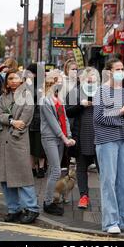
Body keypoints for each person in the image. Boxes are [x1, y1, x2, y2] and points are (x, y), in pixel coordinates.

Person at [94, 58, 124, 234]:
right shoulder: (101, 91)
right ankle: (110, 222)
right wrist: (120, 112)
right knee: (109, 181)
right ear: (108, 71)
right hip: (107, 140)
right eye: (117, 68)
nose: (121, 71)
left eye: (122, 68)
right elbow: (98, 117)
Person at [0, 69, 40, 224]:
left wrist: (14, 129)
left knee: (23, 176)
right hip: (3, 141)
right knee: (5, 178)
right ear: (6, 81)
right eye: (10, 78)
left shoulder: (26, 95)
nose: (13, 81)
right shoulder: (3, 97)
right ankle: (14, 209)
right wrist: (12, 121)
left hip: (18, 139)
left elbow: (25, 119)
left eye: (16, 78)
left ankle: (32, 208)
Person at [40, 70, 76, 216]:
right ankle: (48, 203)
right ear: (52, 81)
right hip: (50, 137)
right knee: (55, 171)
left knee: (53, 170)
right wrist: (64, 138)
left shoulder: (58, 98)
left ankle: (51, 200)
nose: (62, 83)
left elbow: (65, 119)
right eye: (60, 80)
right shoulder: (45, 100)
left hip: (60, 138)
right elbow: (53, 123)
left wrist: (69, 135)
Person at [66, 67, 100, 209]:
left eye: (94, 77)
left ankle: (107, 195)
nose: (91, 79)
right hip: (82, 134)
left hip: (100, 135)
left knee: (103, 168)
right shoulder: (75, 92)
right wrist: (81, 105)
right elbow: (68, 112)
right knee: (81, 167)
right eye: (88, 77)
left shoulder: (102, 91)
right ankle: (83, 196)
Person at [26, 63, 46, 179]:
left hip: (36, 118)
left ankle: (38, 168)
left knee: (36, 144)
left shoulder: (37, 85)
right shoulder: (34, 85)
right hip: (34, 119)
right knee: (34, 144)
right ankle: (36, 168)